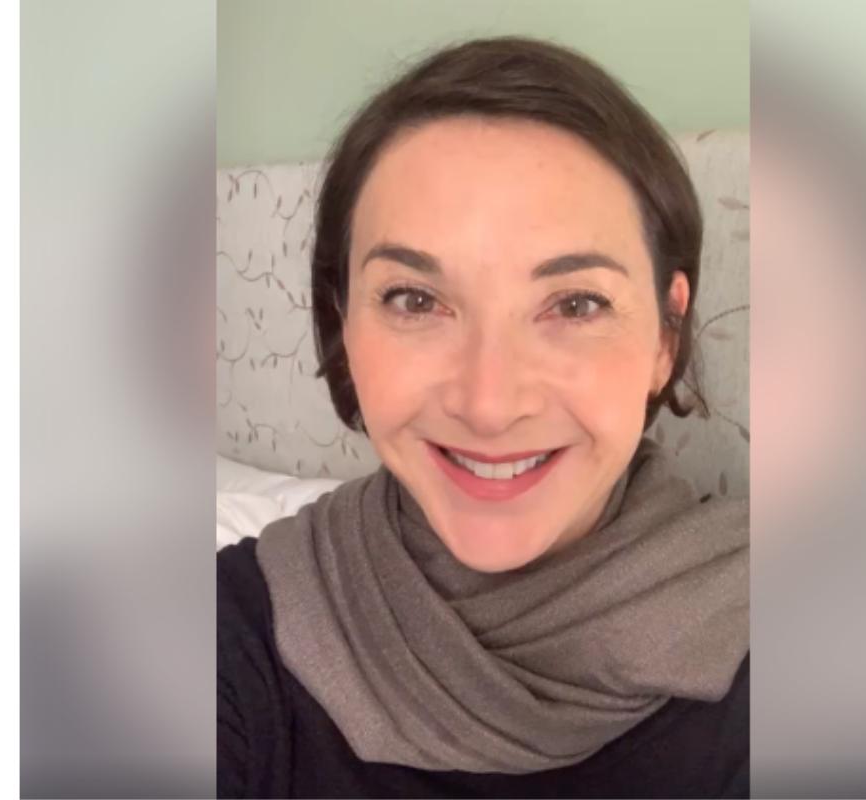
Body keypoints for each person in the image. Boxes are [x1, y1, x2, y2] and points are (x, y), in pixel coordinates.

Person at [218, 36, 749, 798]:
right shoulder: (227, 632)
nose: (489, 405)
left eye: (576, 304)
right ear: (343, 325)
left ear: (665, 338)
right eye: (415, 300)